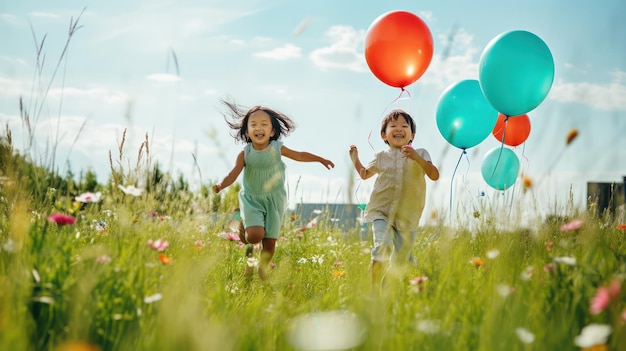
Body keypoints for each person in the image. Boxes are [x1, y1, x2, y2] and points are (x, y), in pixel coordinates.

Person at [213, 99, 335, 280]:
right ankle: (244, 224)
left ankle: (262, 269)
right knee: (255, 236)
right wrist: (222, 185)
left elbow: (299, 155)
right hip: (252, 200)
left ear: (272, 131)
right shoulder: (245, 153)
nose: (258, 127)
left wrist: (320, 159)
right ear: (247, 131)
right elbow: (233, 174)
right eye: (253, 124)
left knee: (269, 242)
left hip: (275, 200)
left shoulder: (277, 149)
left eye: (264, 124)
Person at [349, 109, 439, 289]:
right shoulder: (381, 157)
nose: (399, 128)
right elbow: (365, 174)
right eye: (393, 126)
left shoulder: (421, 152)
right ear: (384, 135)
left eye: (404, 126)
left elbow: (434, 175)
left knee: (401, 261)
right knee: (382, 247)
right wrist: (355, 159)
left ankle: (387, 288)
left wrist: (417, 158)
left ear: (412, 134)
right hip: (381, 211)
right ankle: (373, 292)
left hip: (408, 217)